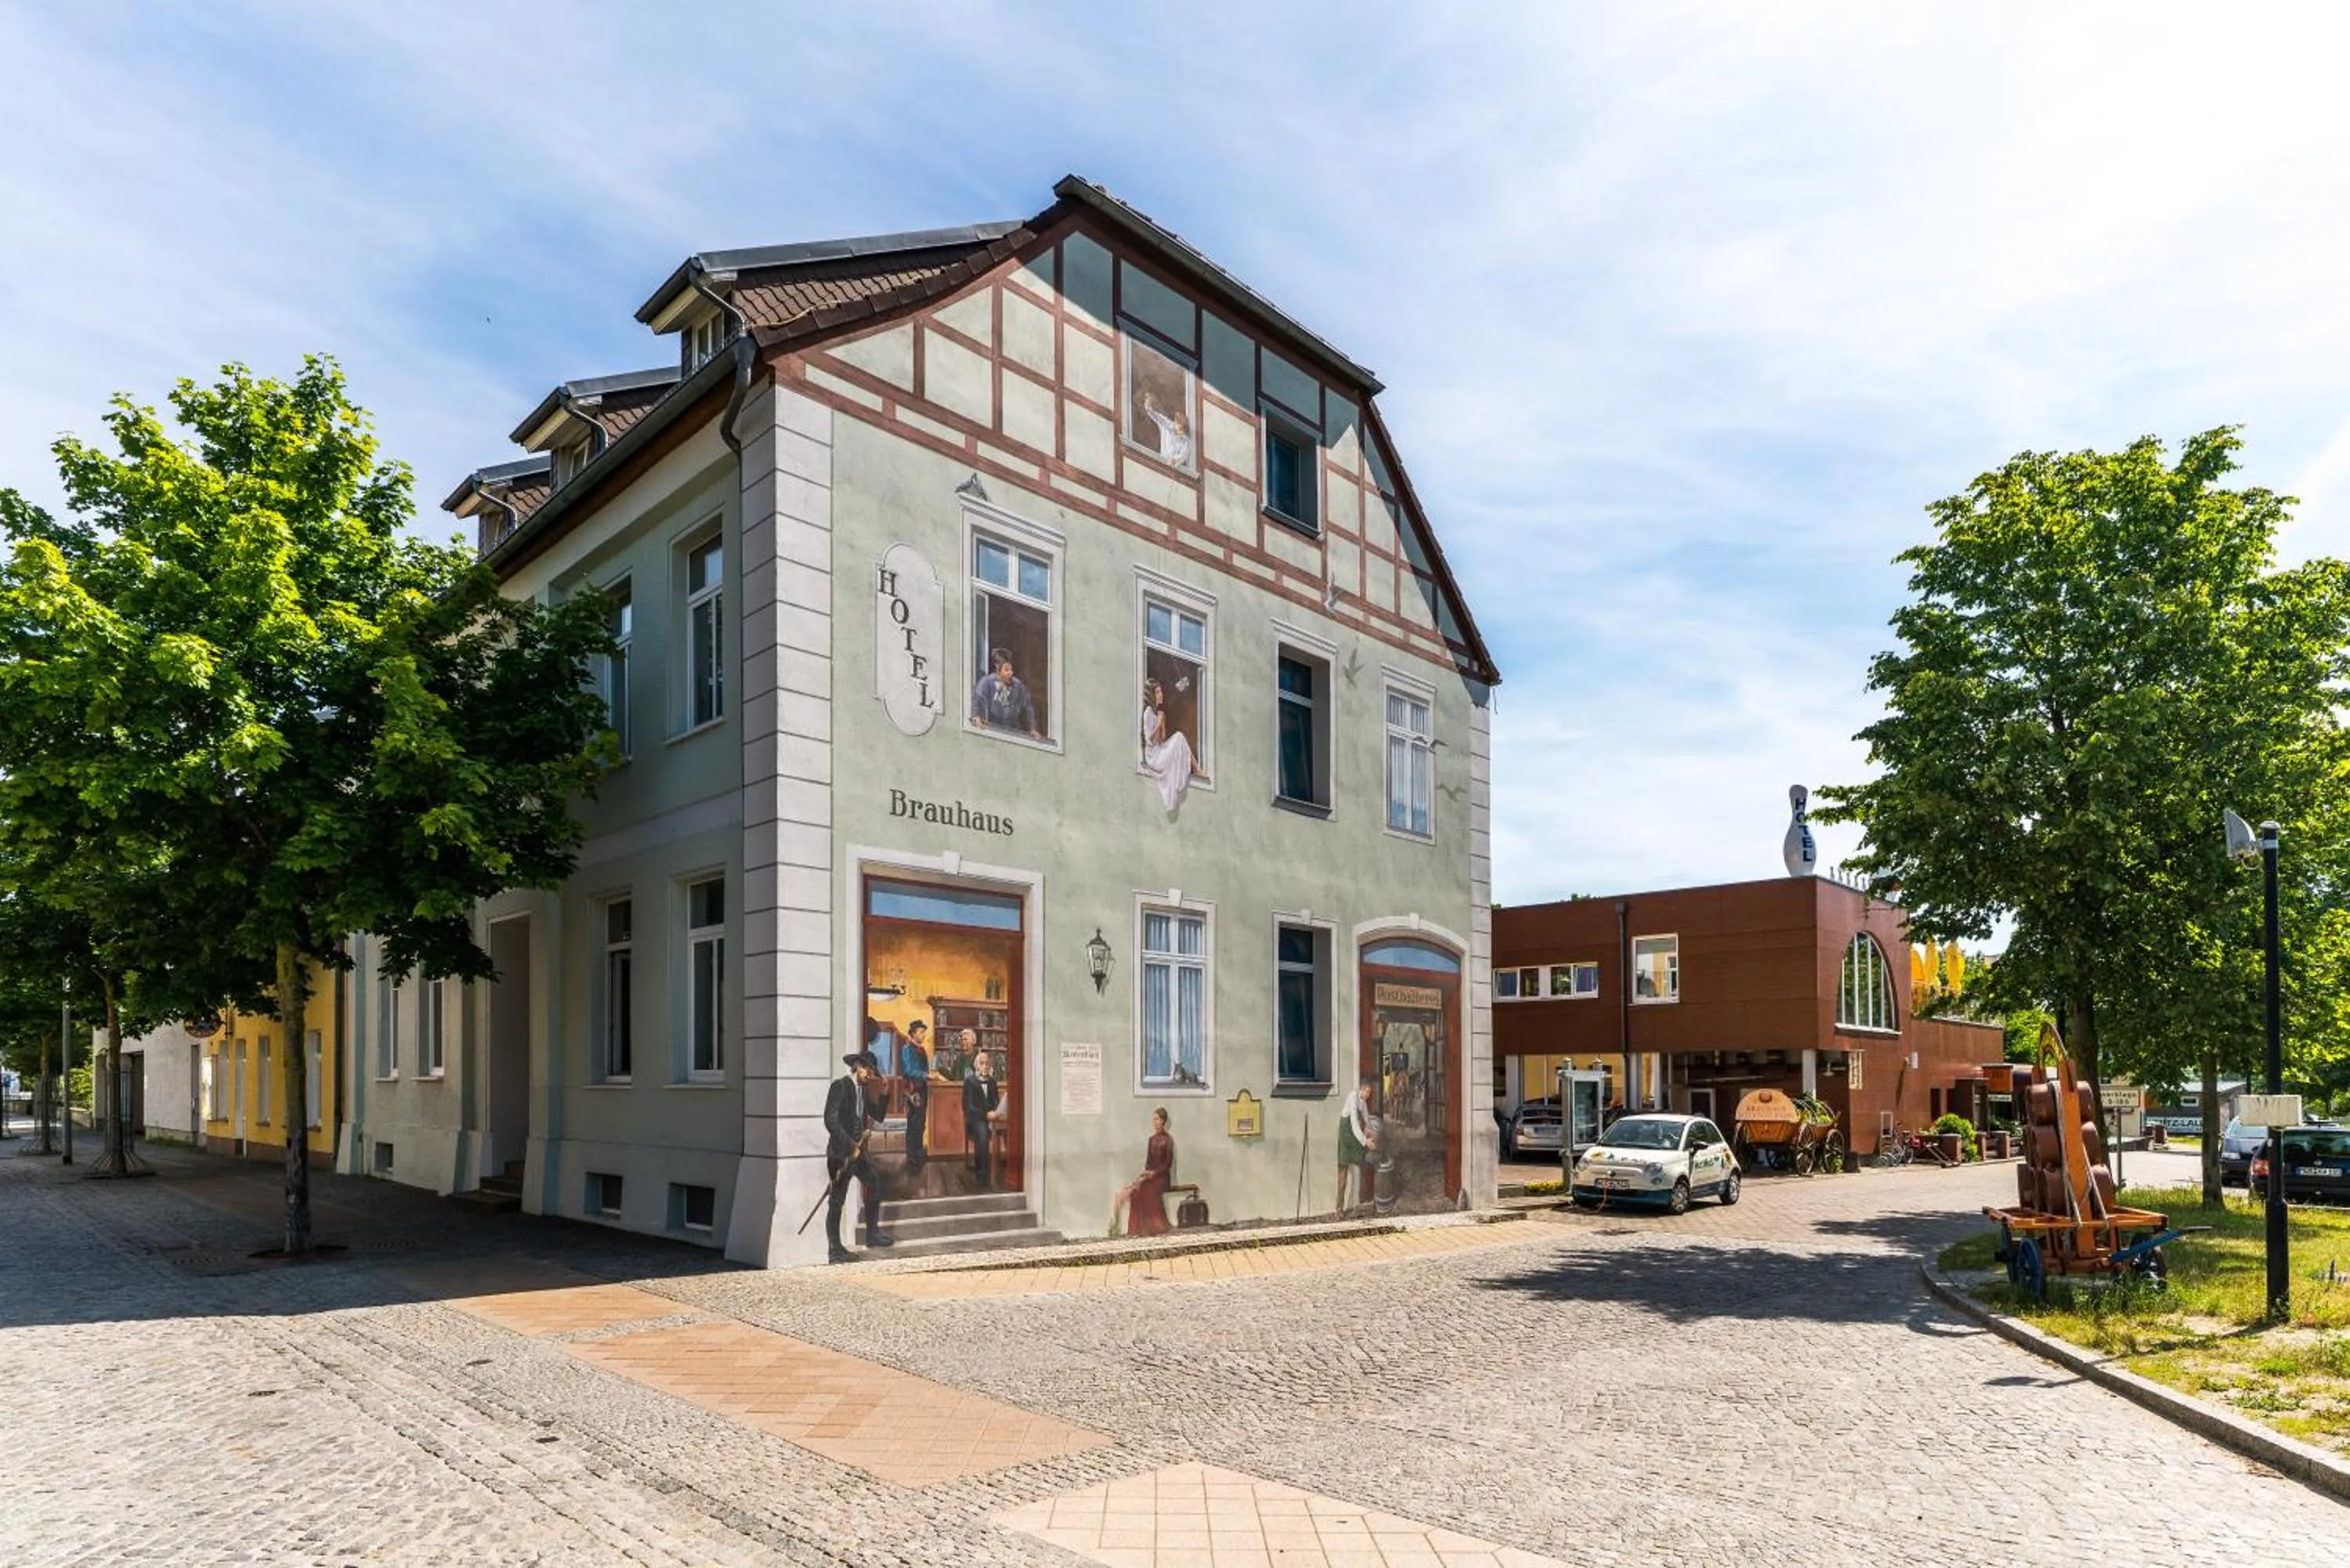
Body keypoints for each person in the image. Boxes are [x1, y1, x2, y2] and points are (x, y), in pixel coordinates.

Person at [822, 1050, 894, 1263]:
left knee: (873, 1182)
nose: (869, 1076)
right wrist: (849, 1145)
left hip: (858, 1153)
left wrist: (884, 1094)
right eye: (868, 1071)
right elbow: (830, 1120)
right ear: (858, 1067)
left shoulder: (862, 1091)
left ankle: (872, 1236)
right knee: (837, 1200)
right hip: (839, 1154)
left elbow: (878, 1115)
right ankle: (835, 1250)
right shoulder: (840, 1086)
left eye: (872, 1072)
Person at [1110, 1107, 1177, 1237]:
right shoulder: (1151, 1140)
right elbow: (1149, 1162)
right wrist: (1144, 1174)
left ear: (1163, 1121)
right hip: (1151, 1177)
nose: (1154, 1122)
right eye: (1153, 1119)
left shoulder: (1168, 1140)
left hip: (1162, 1178)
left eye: (1157, 1119)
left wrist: (1154, 1173)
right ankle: (1136, 1229)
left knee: (1146, 1189)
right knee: (1136, 1191)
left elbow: (1167, 1164)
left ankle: (1155, 1227)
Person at [1138, 677, 1202, 811]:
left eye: (1160, 691)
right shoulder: (1148, 712)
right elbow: (1150, 740)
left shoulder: (1158, 713)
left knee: (1179, 737)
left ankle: (1196, 768)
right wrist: (1159, 722)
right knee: (1179, 737)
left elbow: (1161, 738)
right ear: (1151, 695)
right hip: (1153, 756)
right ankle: (1196, 769)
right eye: (1157, 692)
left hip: (1159, 749)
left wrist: (1162, 721)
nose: (1160, 695)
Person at [969, 648, 1039, 736]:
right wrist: (976, 717)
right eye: (1006, 670)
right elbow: (977, 700)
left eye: (1011, 670)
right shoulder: (986, 683)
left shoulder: (1018, 686)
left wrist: (1033, 728)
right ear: (998, 668)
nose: (1010, 673)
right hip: (992, 731)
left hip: (1013, 732)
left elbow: (1029, 707)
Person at [960, 1035, 1000, 1189]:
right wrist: (985, 1115)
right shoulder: (970, 1082)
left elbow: (996, 1100)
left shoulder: (992, 1081)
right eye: (981, 1064)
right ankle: (982, 1174)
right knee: (982, 1132)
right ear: (976, 1066)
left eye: (987, 1064)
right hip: (975, 1119)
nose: (985, 1066)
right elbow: (968, 1106)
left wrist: (996, 1111)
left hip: (991, 1117)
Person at [1336, 1082, 1377, 1212]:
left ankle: (1363, 1201)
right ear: (1362, 1089)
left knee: (1364, 1163)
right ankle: (1339, 1209)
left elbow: (1366, 1117)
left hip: (1354, 1136)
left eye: (1369, 1093)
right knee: (1343, 1171)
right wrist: (1366, 1142)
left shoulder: (1363, 1101)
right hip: (1346, 1135)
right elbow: (1354, 1123)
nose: (1367, 1095)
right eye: (1367, 1092)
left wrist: (1372, 1130)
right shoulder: (1352, 1097)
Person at [898, 1021, 931, 1174]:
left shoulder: (922, 1050)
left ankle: (918, 1153)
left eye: (924, 1032)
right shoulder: (907, 1049)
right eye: (921, 1032)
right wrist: (926, 1075)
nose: (923, 1035)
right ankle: (912, 1155)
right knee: (914, 1123)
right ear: (913, 1034)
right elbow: (908, 1071)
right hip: (913, 1090)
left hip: (922, 1090)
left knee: (921, 1122)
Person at [1140, 388, 1193, 468]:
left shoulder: (1186, 441)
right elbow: (1157, 416)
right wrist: (1148, 406)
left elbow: (1183, 455)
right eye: (1180, 428)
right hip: (1161, 463)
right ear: (1176, 423)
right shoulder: (1167, 425)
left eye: (1183, 429)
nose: (1181, 432)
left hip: (1175, 469)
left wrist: (1174, 459)